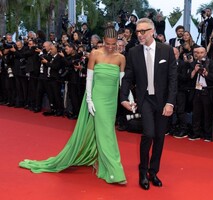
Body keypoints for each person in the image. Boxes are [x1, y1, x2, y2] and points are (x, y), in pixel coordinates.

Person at [19, 27, 127, 185]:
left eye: (114, 45)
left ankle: (98, 160)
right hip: (97, 98)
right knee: (107, 134)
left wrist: (128, 98)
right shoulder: (95, 54)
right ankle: (115, 170)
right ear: (103, 40)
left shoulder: (121, 58)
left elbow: (122, 83)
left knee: (105, 130)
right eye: (108, 44)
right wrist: (89, 99)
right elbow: (89, 79)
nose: (111, 47)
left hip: (111, 101)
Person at [120, 18, 177, 190]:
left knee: (160, 137)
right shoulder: (133, 52)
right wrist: (123, 97)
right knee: (149, 134)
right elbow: (128, 77)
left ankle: (154, 172)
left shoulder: (166, 50)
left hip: (162, 101)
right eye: (137, 31)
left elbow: (173, 80)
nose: (139, 35)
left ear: (152, 31)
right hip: (145, 100)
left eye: (143, 31)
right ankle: (143, 171)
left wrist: (170, 103)